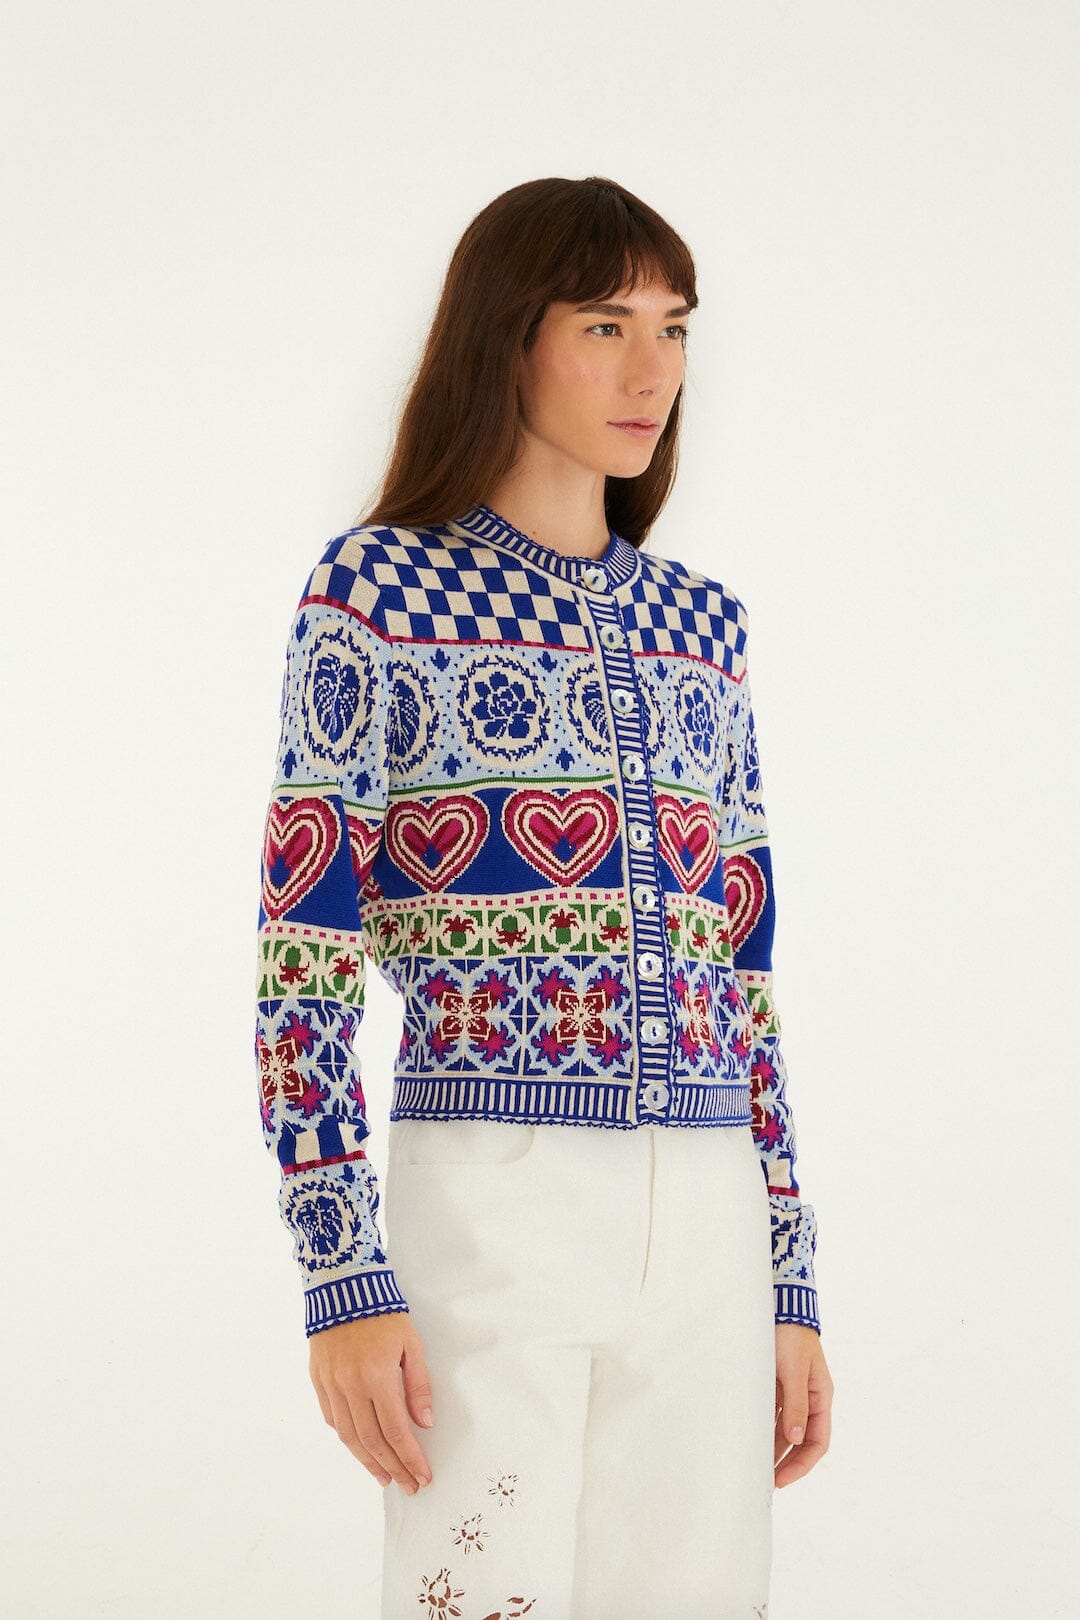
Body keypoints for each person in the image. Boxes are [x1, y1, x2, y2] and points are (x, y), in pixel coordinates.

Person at [254, 175, 833, 1619]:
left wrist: (789, 1279)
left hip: (708, 1220)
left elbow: (743, 978)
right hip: (489, 1203)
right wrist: (341, 1272)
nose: (654, 371)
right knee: (475, 1597)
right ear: (507, 337)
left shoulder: (704, 627)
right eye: (605, 326)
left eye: (674, 328)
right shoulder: (376, 597)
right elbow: (302, 961)